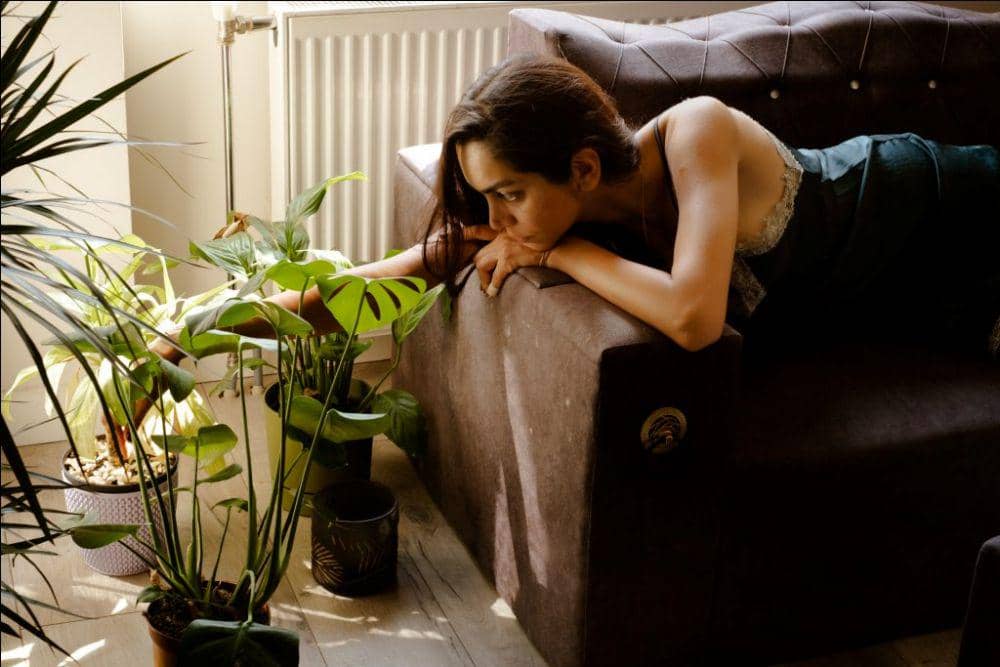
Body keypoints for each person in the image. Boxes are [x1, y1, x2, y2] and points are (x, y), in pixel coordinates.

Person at [154, 53, 1000, 366]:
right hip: (912, 296)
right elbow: (379, 284)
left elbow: (695, 319)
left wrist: (558, 255)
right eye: (490, 198)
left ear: (584, 166)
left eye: (510, 194)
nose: (499, 222)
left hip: (949, 205)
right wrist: (198, 329)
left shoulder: (697, 132)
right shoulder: (556, 210)